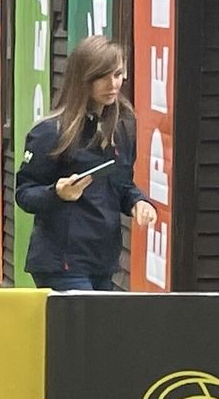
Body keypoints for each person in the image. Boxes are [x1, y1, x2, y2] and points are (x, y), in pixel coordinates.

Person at [15, 34, 154, 292]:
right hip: (62, 264)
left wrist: (139, 202)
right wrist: (57, 193)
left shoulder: (124, 128)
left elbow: (121, 185)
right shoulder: (50, 132)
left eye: (118, 74)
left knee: (99, 333)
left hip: (104, 261)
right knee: (79, 332)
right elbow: (24, 194)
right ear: (83, 79)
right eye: (102, 76)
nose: (112, 84)